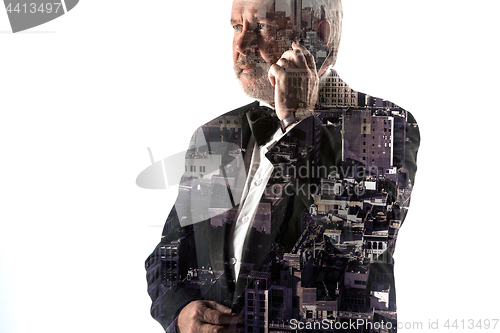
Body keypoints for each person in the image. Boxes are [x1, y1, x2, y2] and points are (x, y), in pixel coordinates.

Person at [145, 0, 420, 332]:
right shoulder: (216, 135)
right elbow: (170, 255)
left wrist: (297, 124)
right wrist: (182, 313)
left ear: (318, 36)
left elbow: (352, 239)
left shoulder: (383, 125)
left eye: (262, 27)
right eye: (236, 27)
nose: (241, 45)